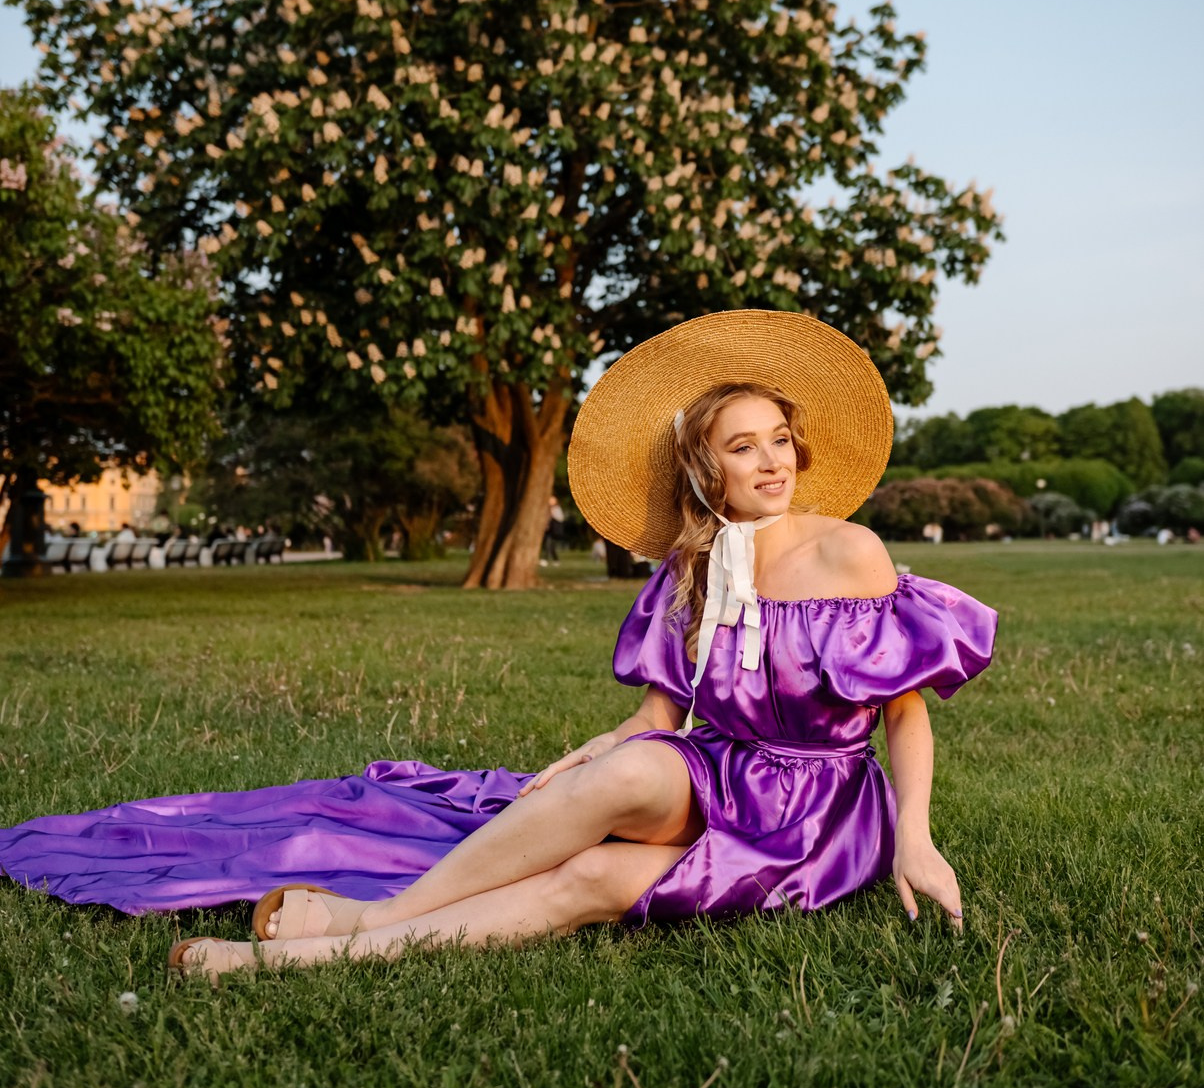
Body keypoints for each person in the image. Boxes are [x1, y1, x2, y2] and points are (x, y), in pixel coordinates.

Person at [0, 312, 996, 982]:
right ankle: (369, 923)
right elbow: (658, 724)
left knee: (596, 883)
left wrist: (914, 834)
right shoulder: (690, 570)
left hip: (817, 811)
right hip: (719, 772)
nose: (770, 460)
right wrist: (581, 766)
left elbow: (901, 715)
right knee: (632, 767)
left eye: (778, 437)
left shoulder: (847, 551)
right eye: (743, 445)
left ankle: (319, 948)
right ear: (707, 467)